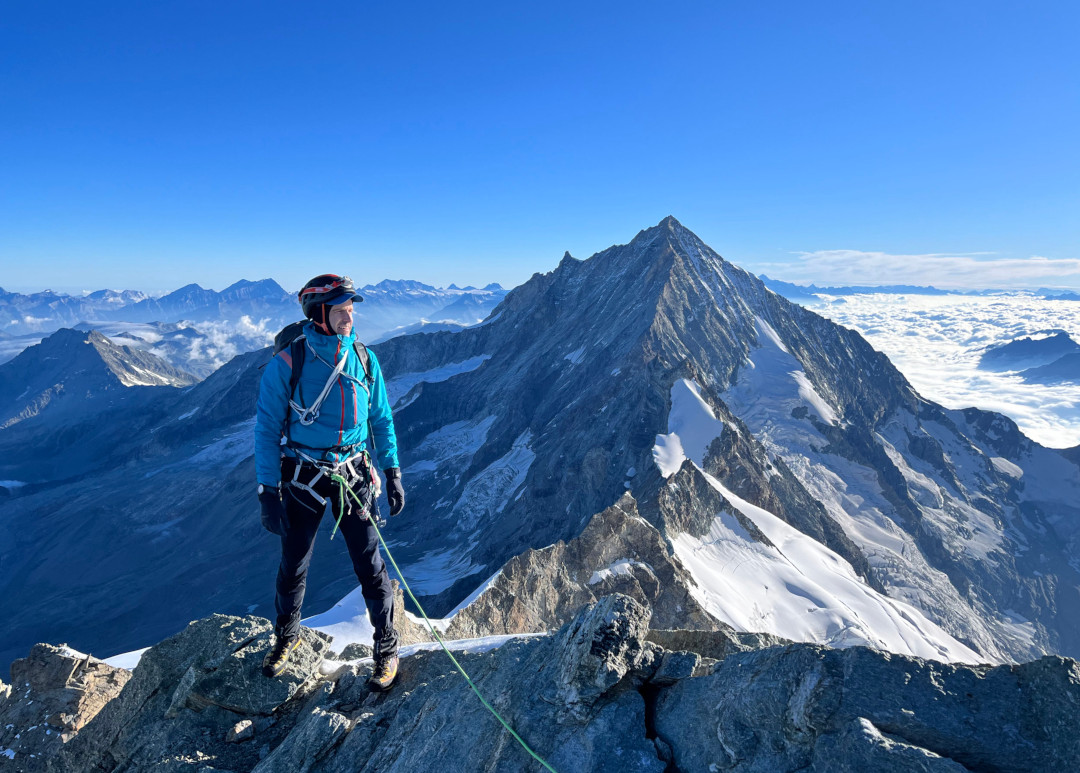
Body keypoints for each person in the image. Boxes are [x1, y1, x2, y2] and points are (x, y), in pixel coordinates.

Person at [254, 274, 406, 690]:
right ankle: (286, 638)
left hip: (354, 474)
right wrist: (268, 489)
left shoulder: (363, 357)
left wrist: (392, 471)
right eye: (341, 309)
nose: (349, 316)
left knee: (370, 565)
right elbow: (267, 428)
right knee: (295, 562)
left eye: (351, 309)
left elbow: (380, 419)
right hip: (302, 476)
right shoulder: (290, 361)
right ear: (318, 313)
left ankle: (387, 650)